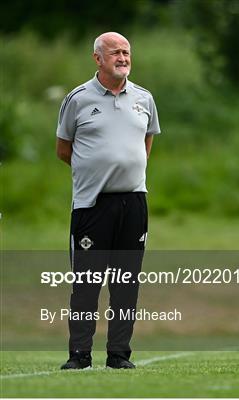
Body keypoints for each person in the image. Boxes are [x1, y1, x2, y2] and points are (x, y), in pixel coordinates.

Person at [56, 32, 160, 369]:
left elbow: (146, 143)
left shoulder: (144, 98)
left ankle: (118, 355)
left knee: (126, 284)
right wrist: (96, 171)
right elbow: (63, 149)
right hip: (92, 204)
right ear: (97, 58)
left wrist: (126, 170)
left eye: (127, 52)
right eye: (115, 52)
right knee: (87, 285)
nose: (123, 57)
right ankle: (79, 355)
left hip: (134, 204)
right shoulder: (78, 99)